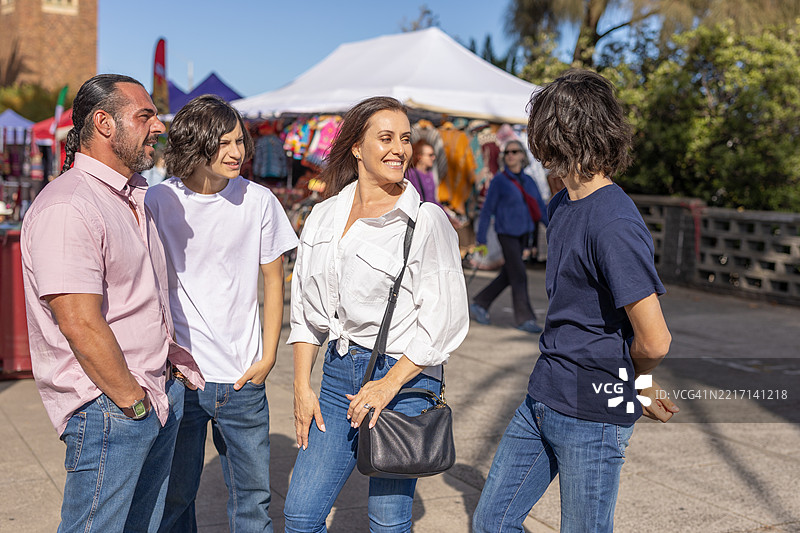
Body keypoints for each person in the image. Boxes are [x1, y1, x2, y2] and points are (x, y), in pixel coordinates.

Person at [472, 69, 679, 533]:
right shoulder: (563, 203)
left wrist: (639, 381)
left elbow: (656, 339)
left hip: (594, 415)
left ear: (562, 133)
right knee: (491, 523)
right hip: (542, 397)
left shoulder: (614, 223)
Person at [20, 74, 204, 532]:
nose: (158, 127)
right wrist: (131, 402)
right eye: (144, 116)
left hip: (151, 394)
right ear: (103, 123)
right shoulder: (69, 206)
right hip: (112, 406)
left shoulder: (130, 197)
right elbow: (78, 322)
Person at [284, 96, 469, 532]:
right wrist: (300, 387)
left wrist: (387, 385)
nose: (399, 149)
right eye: (385, 138)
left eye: (404, 139)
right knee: (300, 514)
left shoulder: (425, 221)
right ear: (356, 148)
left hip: (403, 378)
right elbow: (307, 312)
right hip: (337, 375)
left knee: (387, 521)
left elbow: (443, 322)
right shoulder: (324, 216)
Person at [145, 95, 298, 533]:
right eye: (224, 143)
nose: (237, 153)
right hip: (181, 378)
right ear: (196, 144)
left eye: (239, 141)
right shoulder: (158, 200)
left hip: (243, 380)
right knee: (174, 499)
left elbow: (274, 281)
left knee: (253, 502)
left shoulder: (259, 201)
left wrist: (268, 357)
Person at [469, 138, 549, 334]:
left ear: (522, 155)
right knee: (519, 275)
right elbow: (487, 209)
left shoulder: (528, 180)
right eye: (507, 153)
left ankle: (480, 302)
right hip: (506, 234)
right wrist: (481, 239)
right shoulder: (499, 181)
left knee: (509, 274)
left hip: (524, 234)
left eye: (514, 152)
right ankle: (525, 318)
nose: (510, 156)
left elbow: (539, 207)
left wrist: (554, 228)